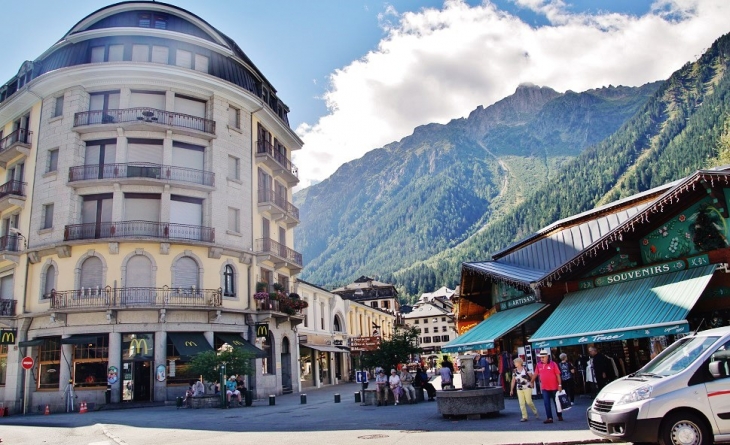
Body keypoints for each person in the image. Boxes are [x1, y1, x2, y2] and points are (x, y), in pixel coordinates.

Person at [531, 351, 563, 423]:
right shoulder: (538, 365)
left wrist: (560, 385)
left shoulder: (553, 364)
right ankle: (549, 418)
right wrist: (532, 381)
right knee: (546, 403)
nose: (541, 359)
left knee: (556, 402)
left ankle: (559, 415)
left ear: (547, 357)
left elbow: (558, 375)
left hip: (554, 387)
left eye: (543, 357)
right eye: (540, 357)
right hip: (544, 387)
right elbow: (536, 374)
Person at [510, 357, 539, 422]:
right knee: (521, 403)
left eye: (515, 362)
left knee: (528, 401)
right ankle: (524, 416)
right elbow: (513, 380)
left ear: (519, 363)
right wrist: (511, 389)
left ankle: (535, 411)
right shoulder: (514, 371)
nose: (514, 364)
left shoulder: (525, 369)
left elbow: (532, 376)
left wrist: (532, 383)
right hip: (519, 387)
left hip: (527, 386)